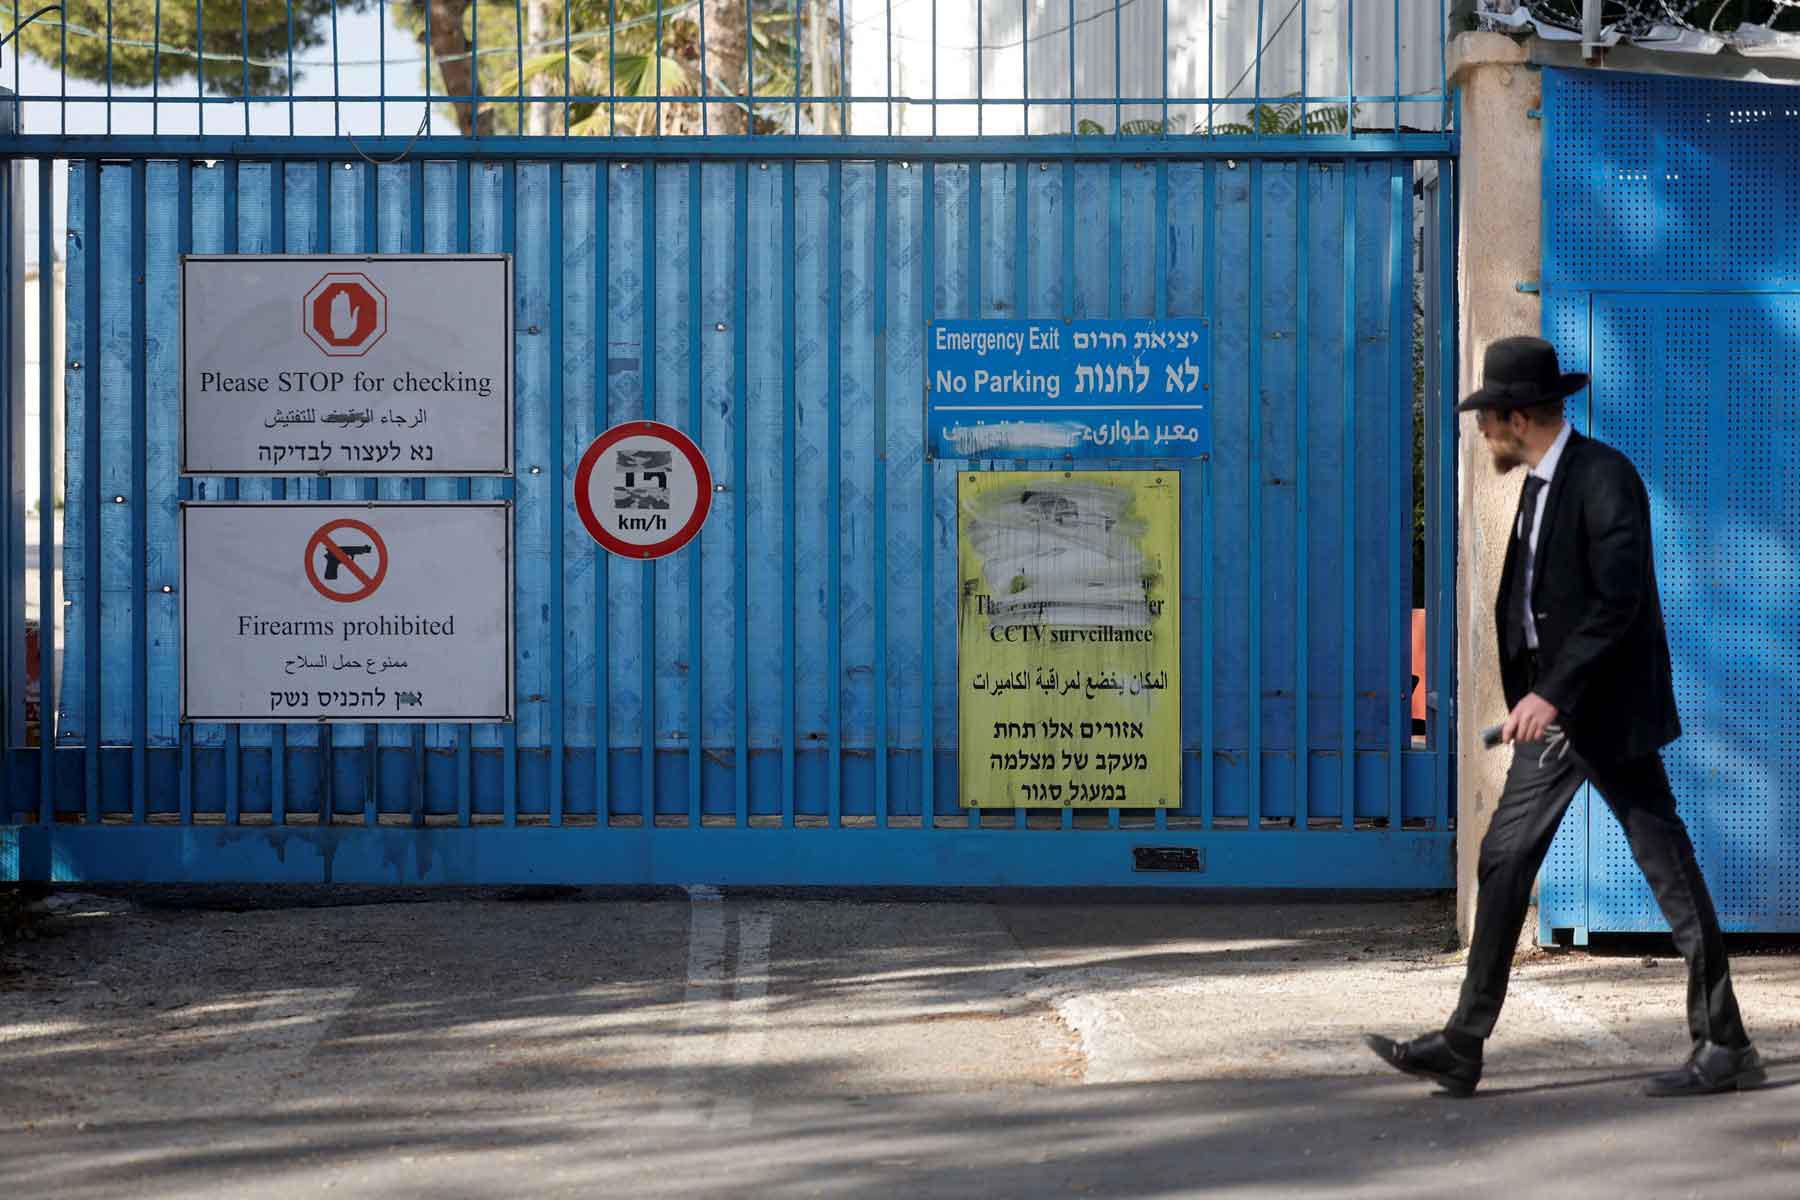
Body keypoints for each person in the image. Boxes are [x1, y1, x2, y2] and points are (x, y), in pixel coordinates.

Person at [1364, 336, 1762, 1098]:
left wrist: (1553, 692)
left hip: (1607, 714)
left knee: (1667, 868)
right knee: (1504, 858)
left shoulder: (1605, 478)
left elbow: (1618, 602)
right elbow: (1535, 606)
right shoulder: (1537, 487)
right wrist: (1535, 694)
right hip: (1552, 723)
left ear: (1518, 418)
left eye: (1488, 418)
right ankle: (1464, 1042)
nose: (1483, 432)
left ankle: (1725, 1043)